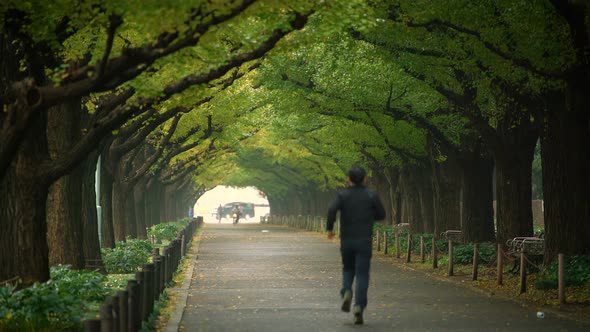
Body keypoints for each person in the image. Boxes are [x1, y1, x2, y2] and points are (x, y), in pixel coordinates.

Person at [326, 165, 386, 325]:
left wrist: (329, 229)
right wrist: (368, 215)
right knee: (362, 275)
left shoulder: (342, 194)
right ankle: (359, 306)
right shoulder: (371, 195)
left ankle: (346, 291)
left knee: (348, 269)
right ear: (365, 179)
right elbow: (381, 214)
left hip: (347, 240)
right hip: (364, 240)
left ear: (349, 179)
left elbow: (331, 210)